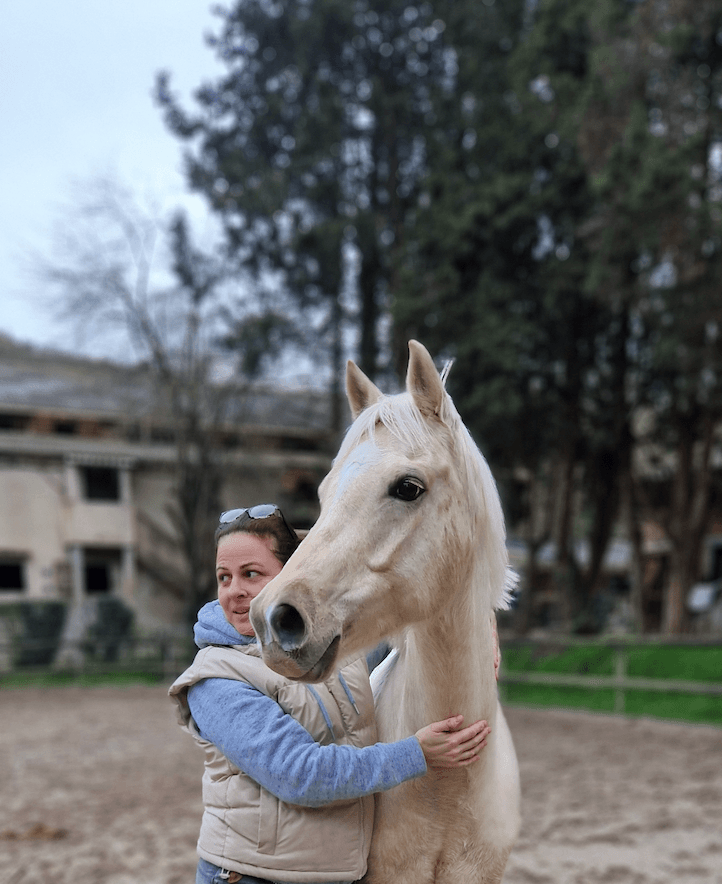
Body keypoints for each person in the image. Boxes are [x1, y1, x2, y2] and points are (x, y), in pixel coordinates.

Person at [170, 504, 492, 884]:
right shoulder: (216, 679)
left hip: (337, 873)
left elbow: (414, 609)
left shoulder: (332, 643)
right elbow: (299, 775)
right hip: (253, 877)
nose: (235, 591)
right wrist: (416, 754)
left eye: (251, 574)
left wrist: (486, 628)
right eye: (224, 577)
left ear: (293, 575)